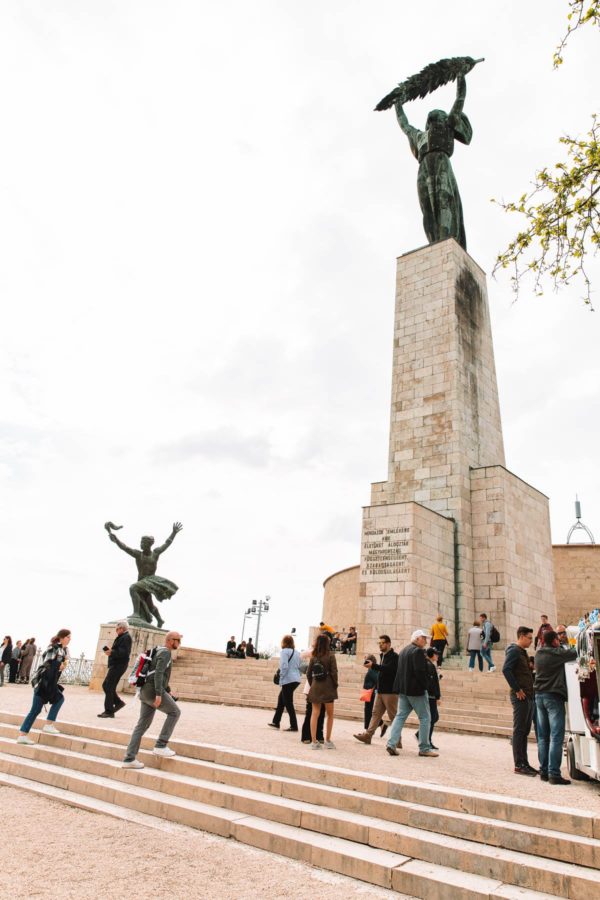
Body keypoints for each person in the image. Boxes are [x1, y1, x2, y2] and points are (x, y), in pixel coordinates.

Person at [395, 74, 472, 250]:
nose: (437, 114)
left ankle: (446, 240)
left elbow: (459, 99)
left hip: (441, 163)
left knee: (444, 200)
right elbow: (404, 124)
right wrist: (397, 103)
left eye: (441, 114)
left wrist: (460, 76)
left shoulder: (447, 126)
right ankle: (435, 242)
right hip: (423, 169)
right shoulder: (419, 135)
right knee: (427, 208)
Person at [122, 631, 183, 769]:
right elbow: (159, 674)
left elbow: (155, 672)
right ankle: (161, 745)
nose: (179, 643)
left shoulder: (157, 650)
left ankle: (129, 759)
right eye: (177, 640)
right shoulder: (166, 652)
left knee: (142, 725)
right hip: (153, 691)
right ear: (169, 640)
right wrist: (159, 693)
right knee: (175, 712)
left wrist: (167, 690)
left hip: (144, 691)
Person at [107, 522, 183, 627]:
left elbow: (167, 543)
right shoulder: (138, 554)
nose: (141, 544)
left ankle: (136, 614)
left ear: (149, 544)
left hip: (151, 580)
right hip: (142, 580)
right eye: (141, 542)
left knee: (133, 588)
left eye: (143, 543)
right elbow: (125, 548)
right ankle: (160, 620)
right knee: (149, 605)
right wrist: (116, 541)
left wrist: (173, 533)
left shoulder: (155, 553)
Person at [386, 629, 438, 758]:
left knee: (400, 716)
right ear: (417, 639)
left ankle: (391, 744)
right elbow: (420, 671)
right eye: (424, 638)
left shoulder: (404, 650)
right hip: (416, 691)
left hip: (403, 690)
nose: (426, 641)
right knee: (425, 718)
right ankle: (424, 748)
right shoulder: (418, 651)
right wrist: (426, 685)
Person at [534, 630, 577, 785]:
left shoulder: (538, 653)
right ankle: (554, 774)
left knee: (543, 737)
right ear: (553, 641)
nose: (559, 641)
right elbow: (574, 653)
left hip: (539, 696)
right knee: (556, 736)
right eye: (558, 640)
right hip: (553, 696)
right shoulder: (556, 654)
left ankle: (543, 771)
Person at [16, 629, 71, 743]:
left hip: (50, 683)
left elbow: (59, 665)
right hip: (43, 683)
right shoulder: (53, 648)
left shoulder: (63, 650)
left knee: (59, 699)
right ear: (62, 637)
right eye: (68, 637)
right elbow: (46, 663)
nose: (70, 639)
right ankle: (24, 735)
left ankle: (46, 725)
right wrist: (58, 665)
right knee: (35, 710)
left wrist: (63, 663)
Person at [502, 626, 537, 776]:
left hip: (528, 695)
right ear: (521, 636)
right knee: (519, 730)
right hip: (520, 696)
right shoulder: (514, 650)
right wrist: (517, 689)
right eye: (529, 638)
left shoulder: (522, 652)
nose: (531, 641)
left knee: (525, 731)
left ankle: (525, 762)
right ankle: (519, 764)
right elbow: (506, 669)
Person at [353, 635, 399, 745]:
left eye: (382, 643)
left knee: (393, 717)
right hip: (380, 690)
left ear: (388, 644)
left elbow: (389, 670)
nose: (380, 645)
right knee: (375, 714)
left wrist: (373, 666)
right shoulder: (382, 656)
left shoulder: (394, 657)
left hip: (390, 692)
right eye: (379, 643)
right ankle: (368, 736)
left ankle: (398, 740)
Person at [307, 634, 338, 750]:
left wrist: (313, 684)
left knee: (314, 713)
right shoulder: (331, 655)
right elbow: (334, 672)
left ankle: (314, 741)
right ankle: (328, 740)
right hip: (328, 687)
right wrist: (335, 684)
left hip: (315, 687)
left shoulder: (313, 656)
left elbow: (309, 674)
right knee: (330, 714)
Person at [98, 621, 132, 718]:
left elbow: (124, 652)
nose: (116, 630)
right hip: (116, 665)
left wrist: (111, 652)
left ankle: (109, 711)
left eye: (117, 629)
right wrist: (111, 652)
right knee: (107, 685)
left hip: (119, 665)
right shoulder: (123, 637)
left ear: (122, 628)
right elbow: (120, 650)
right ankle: (118, 703)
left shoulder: (126, 637)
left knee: (108, 686)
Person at [269, 635, 301, 732]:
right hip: (296, 679)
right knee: (281, 700)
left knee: (288, 703)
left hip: (288, 679)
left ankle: (294, 726)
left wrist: (281, 679)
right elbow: (300, 667)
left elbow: (284, 666)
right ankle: (276, 722)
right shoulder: (297, 653)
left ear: (284, 642)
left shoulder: (284, 652)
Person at [360, 654, 379, 729]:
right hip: (370, 693)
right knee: (369, 711)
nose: (365, 662)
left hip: (370, 693)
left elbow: (377, 680)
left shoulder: (372, 670)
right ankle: (381, 724)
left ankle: (368, 729)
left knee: (368, 711)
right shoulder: (372, 669)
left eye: (366, 660)